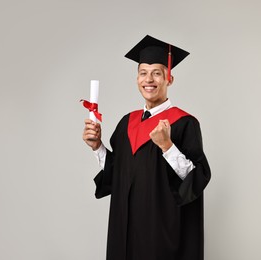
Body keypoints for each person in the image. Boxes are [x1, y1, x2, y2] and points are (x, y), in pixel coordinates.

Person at [82, 35, 211, 260]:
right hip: (125, 232)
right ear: (137, 78)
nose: (148, 79)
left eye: (157, 73)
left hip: (160, 237)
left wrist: (167, 146)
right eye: (143, 73)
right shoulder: (126, 123)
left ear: (169, 78)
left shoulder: (184, 123)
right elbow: (118, 174)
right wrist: (97, 147)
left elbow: (196, 179)